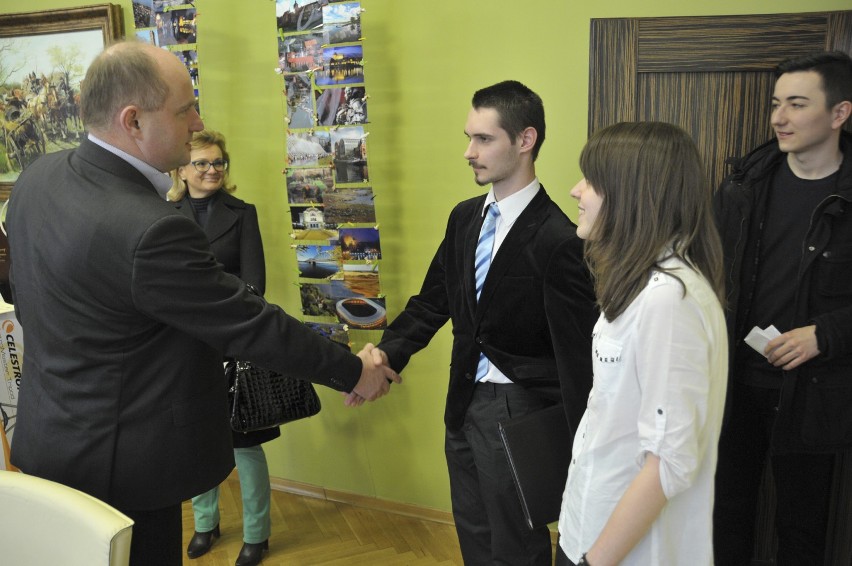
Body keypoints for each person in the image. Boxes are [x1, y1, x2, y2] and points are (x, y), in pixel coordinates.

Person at [5, 41, 399, 566]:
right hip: (127, 472)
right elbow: (249, 324)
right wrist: (355, 371)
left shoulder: (36, 179)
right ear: (133, 120)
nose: (197, 122)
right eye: (185, 108)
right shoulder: (150, 227)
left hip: (46, 442)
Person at [371, 80, 598, 565]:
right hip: (464, 401)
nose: (469, 152)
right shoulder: (464, 218)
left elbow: (578, 352)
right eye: (469, 137)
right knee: (474, 532)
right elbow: (434, 302)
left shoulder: (560, 239)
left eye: (483, 139)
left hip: (520, 409)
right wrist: (387, 353)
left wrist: (583, 441)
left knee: (517, 544)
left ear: (525, 140)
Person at [557, 121, 728, 566]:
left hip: (626, 550)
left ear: (632, 193)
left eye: (592, 181)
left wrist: (595, 562)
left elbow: (668, 462)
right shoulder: (641, 284)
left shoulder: (670, 299)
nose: (577, 191)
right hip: (591, 522)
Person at [712, 51, 852, 566]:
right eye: (776, 104)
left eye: (796, 104)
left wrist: (826, 333)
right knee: (725, 516)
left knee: (802, 528)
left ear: (839, 113)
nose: (778, 118)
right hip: (735, 383)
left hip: (813, 393)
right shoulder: (744, 184)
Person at [168, 129, 273, 566]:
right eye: (202, 163)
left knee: (244, 443)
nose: (212, 170)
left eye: (218, 163)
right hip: (181, 346)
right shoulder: (162, 213)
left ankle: (257, 534)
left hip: (234, 341)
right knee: (194, 438)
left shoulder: (242, 212)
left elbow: (255, 285)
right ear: (182, 169)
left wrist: (218, 322)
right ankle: (205, 524)